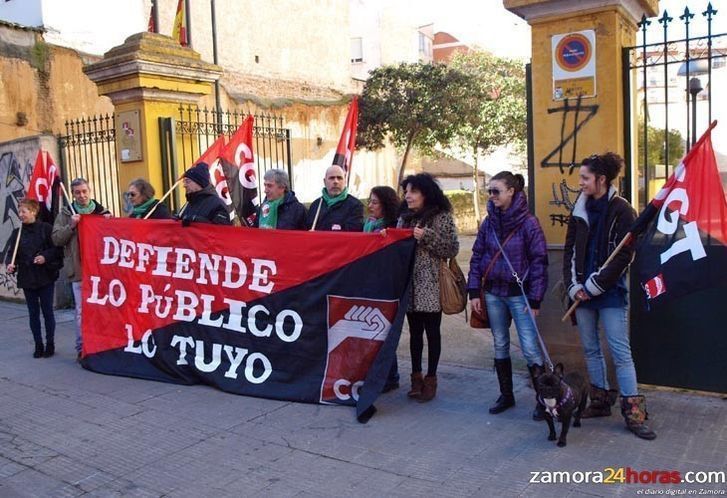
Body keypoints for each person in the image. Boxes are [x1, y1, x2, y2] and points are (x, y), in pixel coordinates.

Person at [564, 152, 656, 440]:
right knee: (590, 349)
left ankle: (634, 414)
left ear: (601, 180)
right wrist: (573, 286)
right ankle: (601, 402)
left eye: (585, 178)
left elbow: (624, 255)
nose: (580, 183)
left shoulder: (622, 210)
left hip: (610, 294)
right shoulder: (578, 209)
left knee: (620, 353)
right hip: (581, 293)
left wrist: (594, 286)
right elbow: (570, 251)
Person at [467, 172, 549, 420]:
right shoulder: (489, 223)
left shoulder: (529, 223)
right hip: (493, 292)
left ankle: (543, 400)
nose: (491, 196)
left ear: (511, 191)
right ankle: (506, 394)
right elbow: (477, 256)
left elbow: (539, 262)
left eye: (496, 191)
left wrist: (535, 299)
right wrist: (473, 291)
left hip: (519, 295)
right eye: (489, 191)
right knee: (500, 342)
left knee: (530, 347)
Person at [398, 173, 459, 402]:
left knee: (432, 333)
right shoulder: (404, 218)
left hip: (432, 285)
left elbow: (451, 248)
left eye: (413, 191)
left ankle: (431, 378)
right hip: (409, 286)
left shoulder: (441, 217)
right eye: (406, 192)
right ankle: (416, 378)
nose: (408, 196)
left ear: (425, 193)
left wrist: (426, 236)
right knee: (414, 335)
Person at [52, 177, 111, 360]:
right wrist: (71, 226)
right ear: (72, 194)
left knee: (103, 310)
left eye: (84, 191)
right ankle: (82, 348)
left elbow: (116, 237)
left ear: (90, 191)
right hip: (78, 270)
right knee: (80, 312)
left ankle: (102, 346)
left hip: (100, 271)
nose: (81, 195)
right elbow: (56, 239)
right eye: (77, 192)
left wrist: (109, 223)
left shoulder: (102, 212)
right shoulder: (65, 213)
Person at [6, 199, 62, 358]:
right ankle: (38, 345)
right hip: (27, 278)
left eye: (23, 211)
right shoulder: (17, 233)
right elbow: (12, 255)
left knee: (47, 312)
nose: (20, 214)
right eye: (20, 211)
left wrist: (45, 256)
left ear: (33, 212)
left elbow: (57, 250)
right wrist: (11, 265)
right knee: (33, 313)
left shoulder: (46, 229)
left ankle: (50, 344)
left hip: (45, 277)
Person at [365, 185, 402, 392]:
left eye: (375, 202)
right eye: (369, 201)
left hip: (385, 284)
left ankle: (390, 376)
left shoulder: (392, 228)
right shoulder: (368, 225)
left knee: (383, 330)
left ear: (386, 205)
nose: (370, 206)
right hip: (368, 282)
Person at [306, 165, 363, 231]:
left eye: (339, 178)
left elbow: (354, 232)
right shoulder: (315, 206)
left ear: (345, 181)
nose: (336, 181)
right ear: (324, 182)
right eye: (331, 178)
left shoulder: (355, 206)